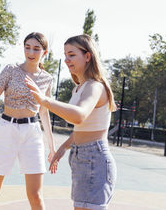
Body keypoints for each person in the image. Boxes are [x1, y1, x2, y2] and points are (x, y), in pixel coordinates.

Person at [25, 34, 117, 210]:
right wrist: (62, 149)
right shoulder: (79, 88)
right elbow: (84, 129)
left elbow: (79, 116)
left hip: (94, 158)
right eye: (65, 55)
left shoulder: (94, 86)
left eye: (72, 55)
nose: (66, 60)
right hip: (81, 156)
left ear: (88, 56)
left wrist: (44, 101)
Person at [0, 32, 56, 210]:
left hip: (32, 133)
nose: (31, 51)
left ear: (44, 52)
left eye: (36, 48)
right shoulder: (10, 70)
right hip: (7, 129)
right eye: (27, 47)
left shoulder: (47, 78)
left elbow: (44, 113)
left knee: (35, 195)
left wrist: (51, 147)